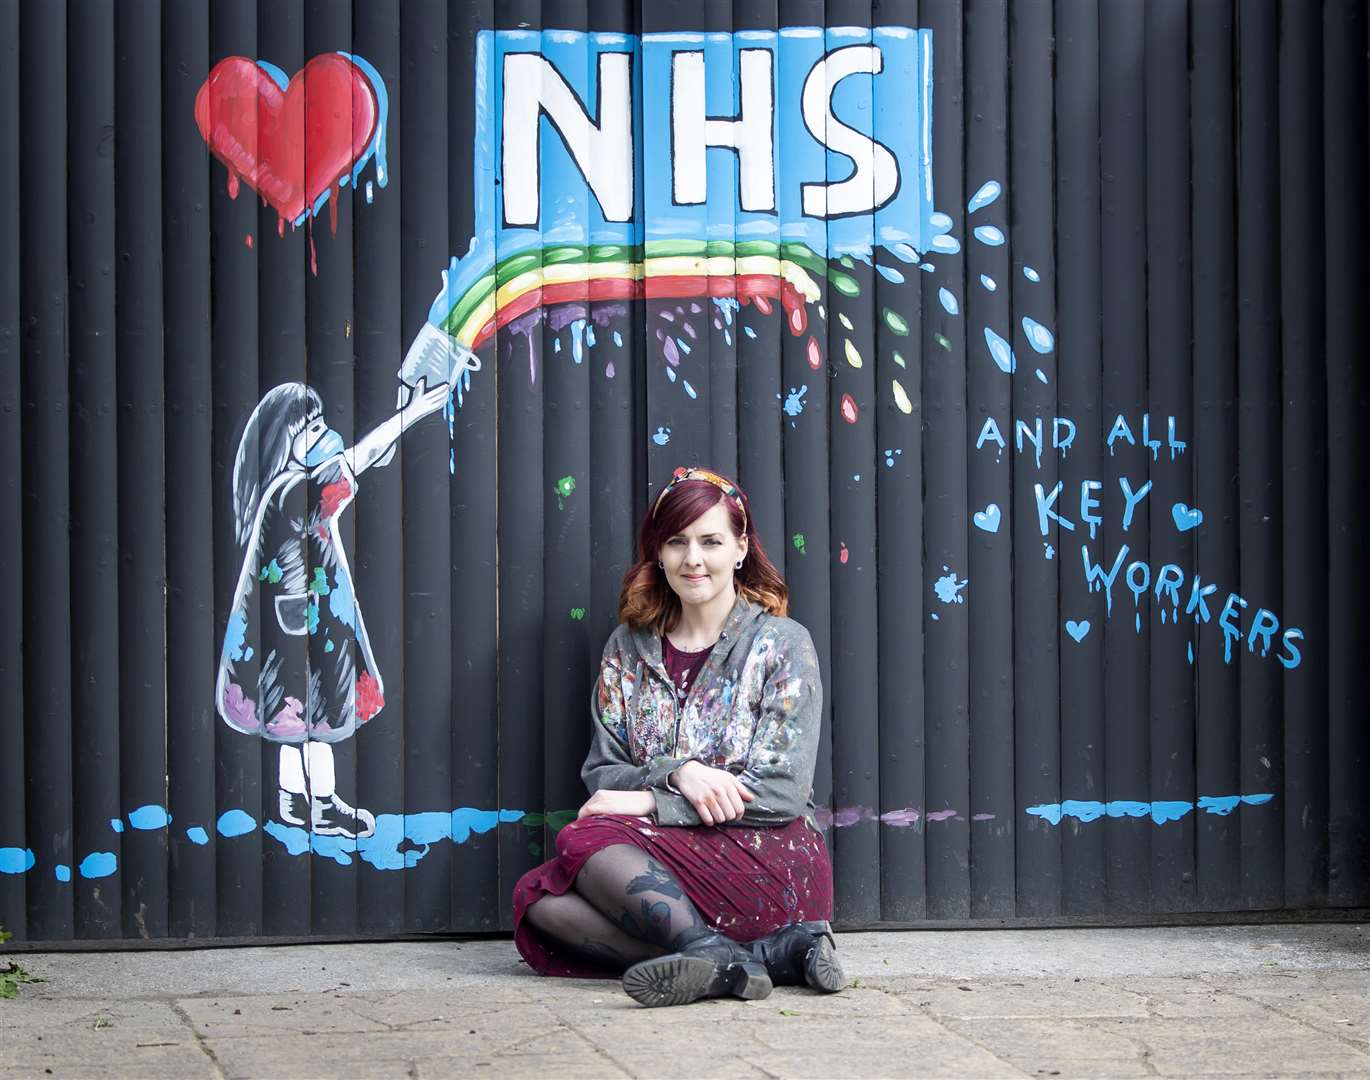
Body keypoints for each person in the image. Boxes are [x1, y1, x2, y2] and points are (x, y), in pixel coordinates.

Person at [513, 466, 845, 1007]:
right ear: (658, 553)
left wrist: (654, 797)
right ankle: (754, 958)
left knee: (580, 839)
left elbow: (783, 791)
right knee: (538, 902)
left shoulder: (781, 644)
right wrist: (678, 772)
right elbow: (603, 772)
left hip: (769, 859)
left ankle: (707, 949)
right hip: (666, 864)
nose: (693, 559)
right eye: (677, 541)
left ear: (740, 549)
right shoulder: (628, 648)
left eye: (711, 541)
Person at [215, 376, 453, 840]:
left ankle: (292, 801)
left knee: (291, 718)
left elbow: (357, 465)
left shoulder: (288, 488)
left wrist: (399, 414)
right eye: (311, 426)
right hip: (301, 627)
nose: (323, 432)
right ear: (287, 440)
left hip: (292, 622)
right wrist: (414, 413)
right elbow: (355, 462)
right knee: (315, 715)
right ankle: (321, 805)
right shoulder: (293, 492)